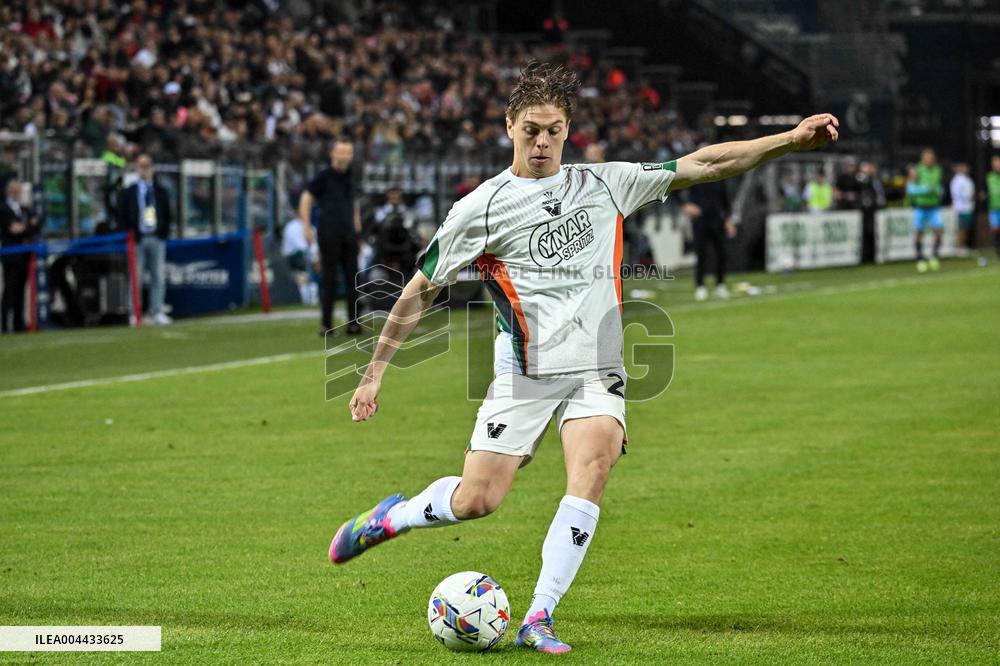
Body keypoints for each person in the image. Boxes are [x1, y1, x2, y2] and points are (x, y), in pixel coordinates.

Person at [329, 62, 839, 654]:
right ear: (509, 126)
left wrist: (789, 140)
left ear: (568, 130)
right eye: (530, 130)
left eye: (553, 130)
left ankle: (539, 615)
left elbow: (704, 164)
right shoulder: (482, 208)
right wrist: (374, 372)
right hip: (525, 370)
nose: (541, 143)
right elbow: (421, 289)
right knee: (478, 499)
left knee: (594, 465)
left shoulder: (604, 183)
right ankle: (393, 517)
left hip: (597, 367)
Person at [299, 139, 361, 336]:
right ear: (333, 154)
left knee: (353, 279)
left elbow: (354, 202)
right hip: (329, 233)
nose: (345, 156)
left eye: (348, 152)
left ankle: (353, 322)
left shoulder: (350, 176)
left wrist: (356, 225)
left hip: (348, 233)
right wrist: (306, 225)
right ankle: (326, 324)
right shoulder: (324, 176)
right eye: (341, 152)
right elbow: (306, 197)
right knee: (329, 279)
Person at [118, 154, 173, 325]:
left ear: (152, 168)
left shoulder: (160, 191)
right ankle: (135, 313)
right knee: (136, 277)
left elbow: (168, 214)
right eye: (141, 167)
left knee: (158, 276)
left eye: (147, 166)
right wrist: (130, 231)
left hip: (156, 237)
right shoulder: (130, 191)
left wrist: (163, 232)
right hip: (138, 239)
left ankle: (157, 311)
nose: (145, 170)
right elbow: (122, 213)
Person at [685, 177, 736, 301]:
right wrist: (685, 205)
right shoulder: (696, 175)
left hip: (717, 219)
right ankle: (700, 286)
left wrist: (728, 220)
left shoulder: (719, 177)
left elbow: (725, 199)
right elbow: (675, 190)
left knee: (721, 253)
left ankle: (720, 284)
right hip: (699, 220)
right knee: (701, 253)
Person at [0, 181, 40, 333]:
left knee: (20, 292)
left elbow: (35, 225)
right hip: (11, 256)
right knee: (9, 292)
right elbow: (13, 230)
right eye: (17, 191)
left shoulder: (24, 209)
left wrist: (25, 227)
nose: (20, 194)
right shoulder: (4, 209)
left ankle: (19, 325)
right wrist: (29, 226)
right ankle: (5, 326)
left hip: (24, 256)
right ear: (10, 192)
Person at [908, 148, 943, 272]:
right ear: (922, 159)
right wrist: (923, 189)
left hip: (934, 206)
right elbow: (910, 189)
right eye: (926, 158)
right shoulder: (917, 170)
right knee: (919, 231)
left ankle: (934, 256)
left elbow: (939, 187)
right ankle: (920, 258)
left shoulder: (938, 169)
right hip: (920, 206)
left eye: (930, 158)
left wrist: (939, 191)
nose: (928, 160)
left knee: (939, 230)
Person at [858, 161, 886, 263]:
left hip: (873, 210)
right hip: (863, 211)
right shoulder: (860, 178)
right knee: (865, 234)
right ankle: (865, 257)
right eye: (868, 168)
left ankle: (872, 257)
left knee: (872, 233)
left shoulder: (874, 180)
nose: (870, 170)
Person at [949, 163, 974, 254]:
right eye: (962, 167)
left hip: (967, 207)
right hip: (961, 208)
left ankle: (962, 245)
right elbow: (957, 193)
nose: (964, 169)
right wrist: (967, 197)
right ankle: (960, 247)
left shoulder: (966, 179)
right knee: (961, 228)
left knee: (965, 228)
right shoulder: (956, 180)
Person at [986, 155, 1000, 259]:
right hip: (993, 208)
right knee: (995, 230)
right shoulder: (989, 177)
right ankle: (998, 252)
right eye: (995, 163)